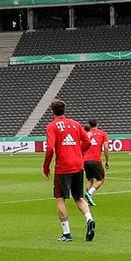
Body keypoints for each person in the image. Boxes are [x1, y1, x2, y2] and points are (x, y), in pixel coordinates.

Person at [42, 100, 95, 242]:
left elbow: (50, 148)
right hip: (78, 165)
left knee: (60, 198)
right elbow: (88, 142)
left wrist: (46, 166)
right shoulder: (75, 124)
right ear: (64, 110)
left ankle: (66, 234)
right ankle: (89, 219)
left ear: (52, 111)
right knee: (78, 197)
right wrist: (79, 152)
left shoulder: (52, 126)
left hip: (63, 167)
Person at [82, 119, 109, 207]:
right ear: (97, 124)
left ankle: (89, 199)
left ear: (89, 125)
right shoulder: (103, 134)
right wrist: (107, 160)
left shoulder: (85, 134)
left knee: (90, 179)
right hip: (95, 159)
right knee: (101, 179)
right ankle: (89, 193)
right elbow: (106, 147)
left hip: (85, 160)